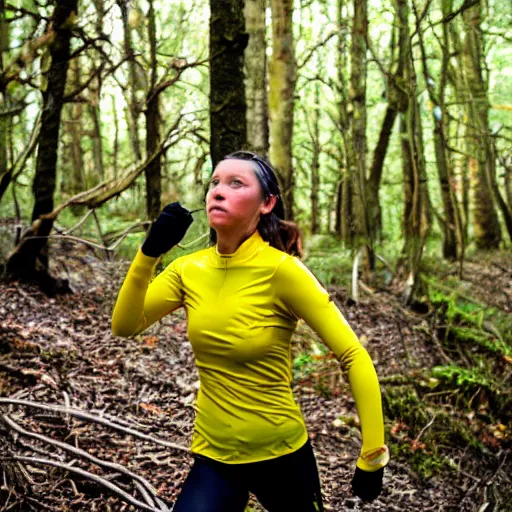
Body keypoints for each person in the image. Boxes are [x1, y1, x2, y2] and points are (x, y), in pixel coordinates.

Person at [112, 150, 389, 512]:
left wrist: (372, 456)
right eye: (214, 183)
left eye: (235, 183)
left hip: (282, 456)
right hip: (215, 456)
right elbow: (125, 325)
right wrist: (149, 252)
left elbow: (353, 355)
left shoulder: (282, 271)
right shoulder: (187, 270)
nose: (218, 191)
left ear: (267, 203)